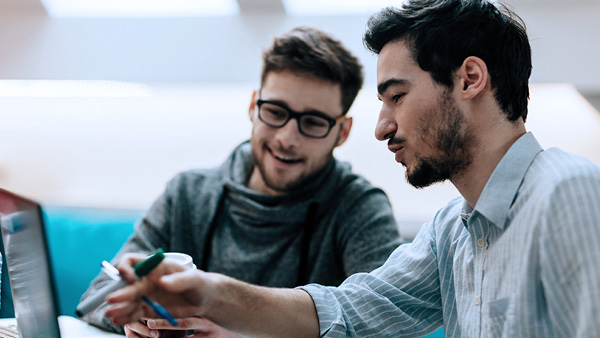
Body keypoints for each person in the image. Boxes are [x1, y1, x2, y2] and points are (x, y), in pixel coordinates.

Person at [102, 0, 600, 337]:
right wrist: (208, 295)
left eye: (397, 97)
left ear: (470, 78)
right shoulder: (453, 229)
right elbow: (348, 309)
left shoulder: (569, 194)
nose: (382, 128)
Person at [78, 26, 403, 337]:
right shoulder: (187, 194)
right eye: (275, 111)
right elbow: (97, 297)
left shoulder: (359, 209)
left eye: (313, 122)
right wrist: (133, 319)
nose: (288, 138)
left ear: (342, 132)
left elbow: (389, 328)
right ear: (253, 106)